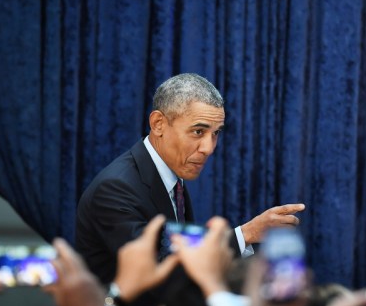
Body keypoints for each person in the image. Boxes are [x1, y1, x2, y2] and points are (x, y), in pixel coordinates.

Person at [75, 73, 305, 288]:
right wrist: (245, 235)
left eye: (215, 133)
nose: (209, 148)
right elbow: (161, 265)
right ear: (158, 125)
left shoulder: (172, 174)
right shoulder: (115, 188)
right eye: (198, 132)